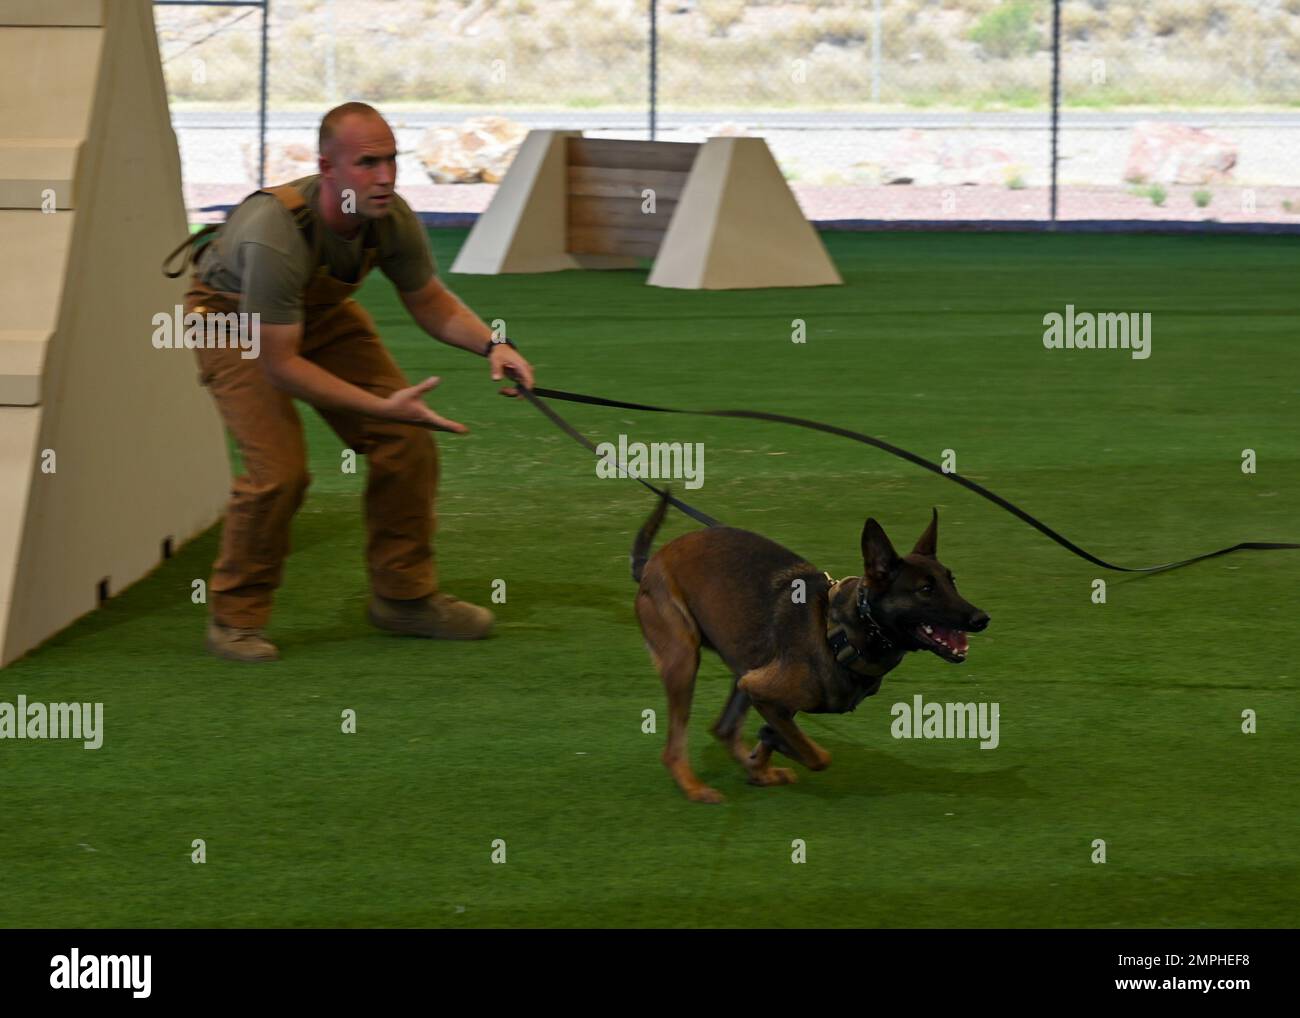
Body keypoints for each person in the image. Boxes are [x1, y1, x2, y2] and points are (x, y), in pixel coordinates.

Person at [180, 101, 534, 662]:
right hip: (232, 319)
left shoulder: (389, 215)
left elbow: (429, 300)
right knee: (281, 474)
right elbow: (282, 366)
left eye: (392, 160)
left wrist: (495, 344)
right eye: (368, 163)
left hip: (310, 312)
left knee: (406, 442)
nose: (386, 176)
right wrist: (383, 407)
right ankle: (234, 617)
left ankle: (404, 598)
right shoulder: (276, 234)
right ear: (328, 169)